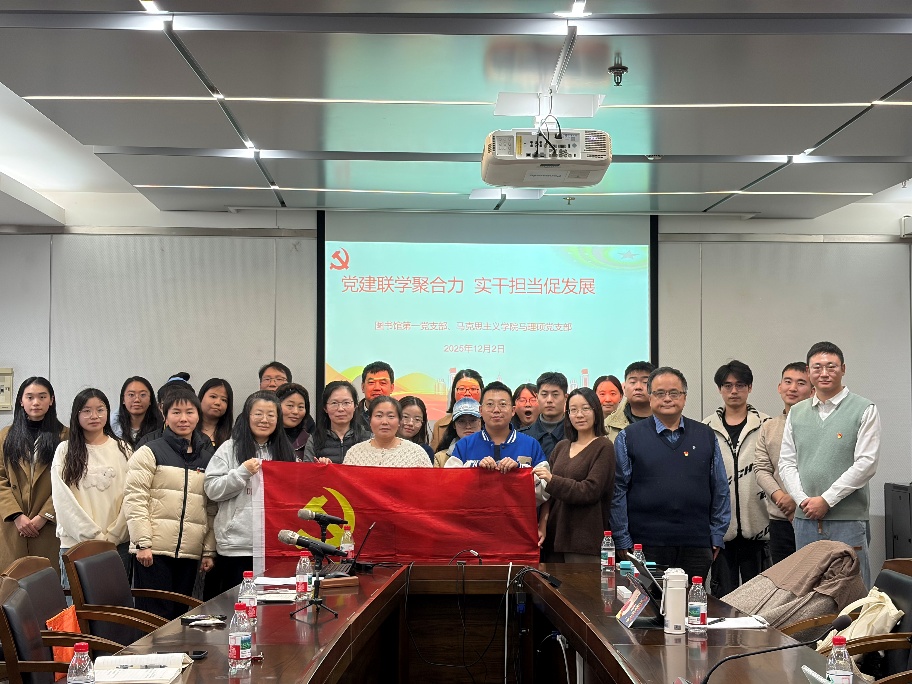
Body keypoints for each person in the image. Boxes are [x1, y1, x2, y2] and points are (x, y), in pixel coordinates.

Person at [610, 367, 730, 583]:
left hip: (696, 542)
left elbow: (720, 488)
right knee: (648, 602)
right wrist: (622, 537)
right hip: (644, 544)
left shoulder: (705, 435)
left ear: (684, 397)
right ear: (650, 397)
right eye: (660, 393)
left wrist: (717, 534)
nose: (667, 399)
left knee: (691, 600)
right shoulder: (629, 437)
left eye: (674, 393)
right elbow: (617, 491)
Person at [779, 341, 880, 588]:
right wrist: (803, 500)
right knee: (807, 591)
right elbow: (786, 462)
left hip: (847, 519)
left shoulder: (864, 409)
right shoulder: (797, 412)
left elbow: (866, 463)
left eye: (831, 366)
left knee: (852, 591)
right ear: (808, 371)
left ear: (843, 369)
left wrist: (826, 500)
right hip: (805, 520)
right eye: (817, 367)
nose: (824, 373)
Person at [123, 388, 216, 619]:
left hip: (189, 553)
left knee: (179, 618)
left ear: (198, 416)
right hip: (152, 552)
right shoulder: (149, 451)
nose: (183, 418)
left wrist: (208, 549)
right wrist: (142, 543)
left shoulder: (207, 458)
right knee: (152, 619)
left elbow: (211, 508)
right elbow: (135, 498)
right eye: (176, 412)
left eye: (189, 412)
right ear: (165, 416)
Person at [204, 391, 296, 599]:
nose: (264, 420)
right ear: (247, 416)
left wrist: (321, 469)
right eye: (258, 414)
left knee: (271, 608)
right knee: (236, 607)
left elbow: (296, 492)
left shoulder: (286, 453)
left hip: (274, 546)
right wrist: (241, 473)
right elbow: (212, 489)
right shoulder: (229, 448)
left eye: (271, 415)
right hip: (237, 546)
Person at [703, 360, 771, 596]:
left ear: (749, 388)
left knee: (760, 598)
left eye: (740, 385)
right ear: (719, 389)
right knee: (723, 599)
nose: (734, 391)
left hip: (761, 528)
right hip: (722, 532)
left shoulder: (767, 425)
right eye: (727, 385)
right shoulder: (705, 428)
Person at [51, 388, 132, 584]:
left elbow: (132, 496)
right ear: (76, 414)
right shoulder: (65, 450)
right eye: (86, 411)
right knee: (77, 603)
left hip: (117, 545)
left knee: (115, 602)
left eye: (100, 410)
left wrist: (114, 536)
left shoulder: (124, 449)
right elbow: (63, 502)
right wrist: (94, 538)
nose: (94, 416)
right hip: (76, 545)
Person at [534, 387, 616, 563]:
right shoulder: (562, 447)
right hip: (554, 536)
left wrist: (552, 479)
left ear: (596, 411)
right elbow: (548, 493)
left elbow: (590, 490)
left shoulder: (604, 447)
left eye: (585, 408)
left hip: (584, 538)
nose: (579, 415)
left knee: (582, 582)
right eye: (573, 410)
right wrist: (543, 523)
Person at [0, 377, 68, 576]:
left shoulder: (66, 436)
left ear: (51, 400)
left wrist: (45, 515)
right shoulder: (6, 435)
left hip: (48, 527)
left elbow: (69, 481)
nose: (36, 402)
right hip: (12, 526)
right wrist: (16, 515)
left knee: (46, 584)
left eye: (42, 397)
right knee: (12, 585)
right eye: (30, 397)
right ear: (21, 401)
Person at [445, 382, 549, 503]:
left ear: (513, 410)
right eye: (490, 404)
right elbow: (448, 485)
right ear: (480, 410)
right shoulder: (464, 445)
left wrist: (520, 470)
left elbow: (545, 490)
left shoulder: (530, 444)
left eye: (503, 404)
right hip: (474, 514)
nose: (496, 410)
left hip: (518, 514)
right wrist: (474, 468)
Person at [754, 362, 814, 564]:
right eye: (788, 382)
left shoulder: (821, 425)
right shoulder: (768, 427)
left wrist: (796, 500)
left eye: (801, 383)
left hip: (813, 516)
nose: (793, 388)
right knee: (784, 578)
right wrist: (781, 498)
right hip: (780, 519)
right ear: (780, 387)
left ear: (812, 390)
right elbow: (761, 469)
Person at [343, 397, 432, 467]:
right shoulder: (354, 453)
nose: (384, 422)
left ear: (399, 421)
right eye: (379, 416)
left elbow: (428, 483)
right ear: (370, 420)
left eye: (391, 416)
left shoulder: (417, 453)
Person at [301, 381, 370, 464]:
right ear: (325, 408)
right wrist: (320, 468)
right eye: (334, 403)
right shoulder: (314, 439)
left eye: (346, 403)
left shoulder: (369, 439)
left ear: (355, 406)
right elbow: (306, 470)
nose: (340, 409)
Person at [135, 373, 195, 449]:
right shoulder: (147, 442)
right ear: (160, 407)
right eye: (168, 404)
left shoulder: (204, 442)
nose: (182, 418)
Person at [430, 369, 483, 450]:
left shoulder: (491, 422)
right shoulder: (440, 426)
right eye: (462, 389)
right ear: (454, 392)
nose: (467, 393)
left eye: (473, 389)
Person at [520, 372, 568, 457]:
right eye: (544, 394)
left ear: (565, 398)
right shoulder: (522, 437)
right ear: (537, 397)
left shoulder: (576, 435)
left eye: (555, 395)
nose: (549, 400)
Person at [605, 362, 655, 442]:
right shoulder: (608, 425)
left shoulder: (668, 420)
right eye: (633, 382)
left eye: (645, 382)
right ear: (624, 388)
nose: (638, 387)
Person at [111, 376, 162, 449]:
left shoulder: (161, 427)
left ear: (150, 400)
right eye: (131, 395)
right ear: (123, 400)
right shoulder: (112, 428)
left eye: (143, 395)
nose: (137, 400)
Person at [433, 397, 482, 468]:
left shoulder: (493, 449)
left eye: (473, 420)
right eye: (461, 421)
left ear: (481, 422)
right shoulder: (440, 458)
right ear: (454, 425)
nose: (468, 426)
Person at [355, 361, 395, 433]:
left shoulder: (401, 416)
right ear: (363, 387)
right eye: (371, 383)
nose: (377, 388)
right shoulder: (351, 416)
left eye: (383, 383)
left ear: (392, 388)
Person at [276, 382, 312, 459]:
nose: (295, 411)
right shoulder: (265, 438)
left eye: (301, 407)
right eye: (290, 405)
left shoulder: (311, 441)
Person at [198, 378, 234, 449]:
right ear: (201, 397)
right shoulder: (187, 430)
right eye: (213, 396)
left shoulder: (232, 437)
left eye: (224, 400)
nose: (217, 403)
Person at [398, 396, 434, 463]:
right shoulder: (382, 446)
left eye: (417, 419)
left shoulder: (425, 451)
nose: (410, 423)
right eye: (405, 417)